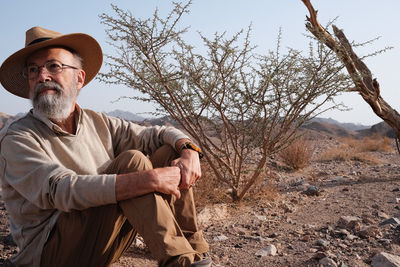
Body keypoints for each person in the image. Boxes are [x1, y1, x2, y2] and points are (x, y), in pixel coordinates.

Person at [0, 26, 211, 267]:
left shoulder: (97, 122)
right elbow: (61, 190)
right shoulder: (17, 137)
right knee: (134, 163)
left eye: (53, 66)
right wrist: (148, 180)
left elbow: (158, 134)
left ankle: (196, 253)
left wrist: (188, 150)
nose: (42, 76)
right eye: (33, 70)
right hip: (49, 254)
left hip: (99, 243)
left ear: (79, 78)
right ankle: (180, 261)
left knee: (168, 152)